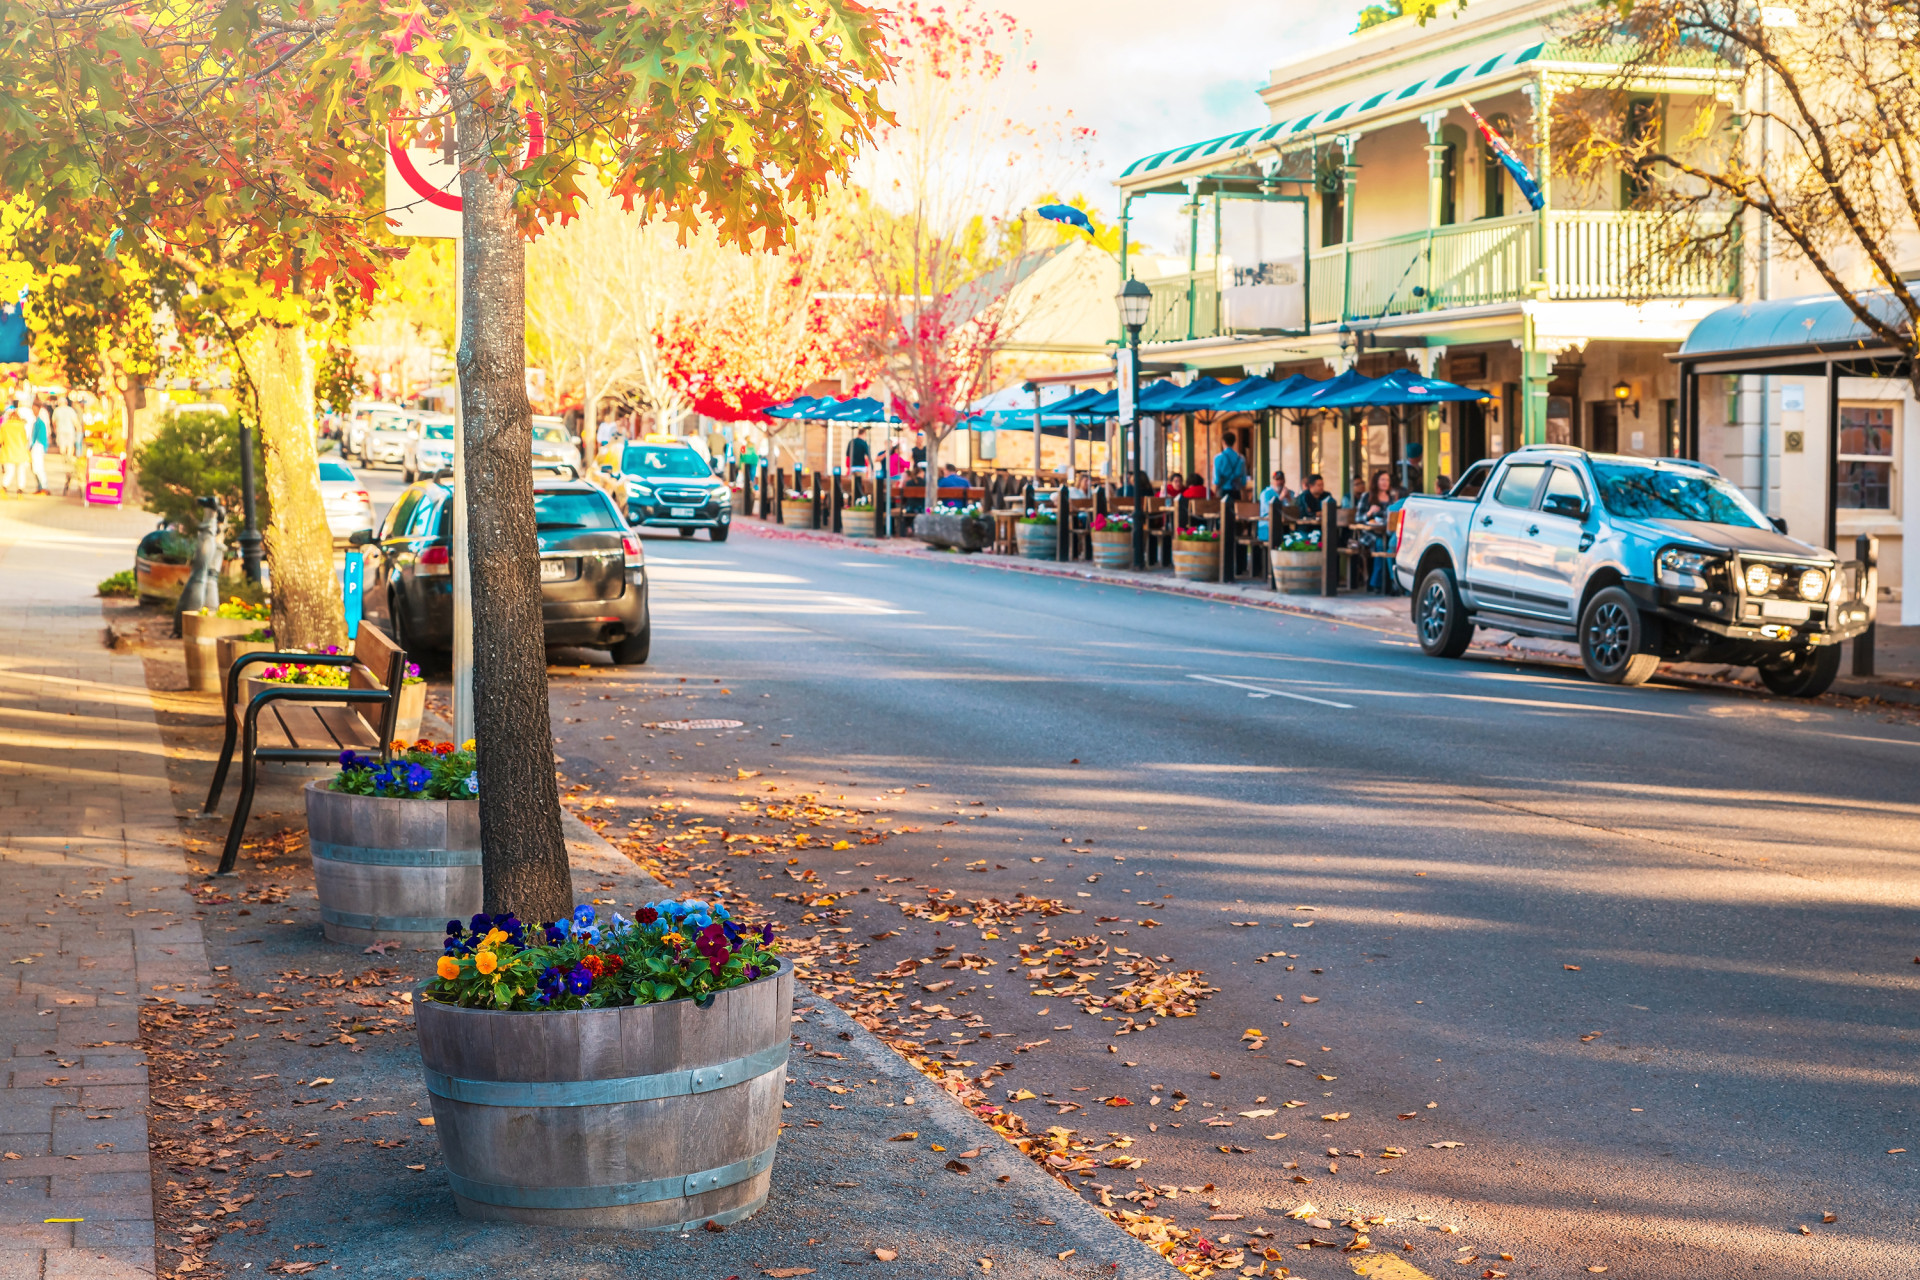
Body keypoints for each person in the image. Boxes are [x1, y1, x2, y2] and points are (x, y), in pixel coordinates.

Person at [1257, 470, 1295, 540]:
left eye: (1281, 479)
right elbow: (1269, 510)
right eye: (1277, 480)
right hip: (1268, 526)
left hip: (1285, 525)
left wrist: (1289, 498)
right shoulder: (1266, 493)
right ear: (1272, 481)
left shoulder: (1290, 493)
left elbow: (1295, 510)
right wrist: (1281, 497)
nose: (1279, 482)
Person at [1212, 428, 1248, 498]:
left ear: (1223, 442)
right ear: (1234, 442)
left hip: (1223, 491)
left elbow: (1217, 480)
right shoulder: (1241, 458)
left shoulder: (1218, 458)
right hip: (1236, 491)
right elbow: (1243, 480)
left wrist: (1213, 495)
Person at [0, 403, 28, 494]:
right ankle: (20, 489)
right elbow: (25, 439)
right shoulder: (21, 426)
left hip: (8, 452)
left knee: (9, 471)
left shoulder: (5, 426)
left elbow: (0, 440)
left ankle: (4, 487)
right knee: (21, 471)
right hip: (20, 452)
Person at [26, 398, 48, 494]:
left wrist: (34, 446)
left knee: (38, 468)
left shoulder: (40, 422)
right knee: (35, 468)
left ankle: (44, 487)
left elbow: (40, 437)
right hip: (36, 446)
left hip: (38, 447)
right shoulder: (36, 421)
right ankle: (40, 487)